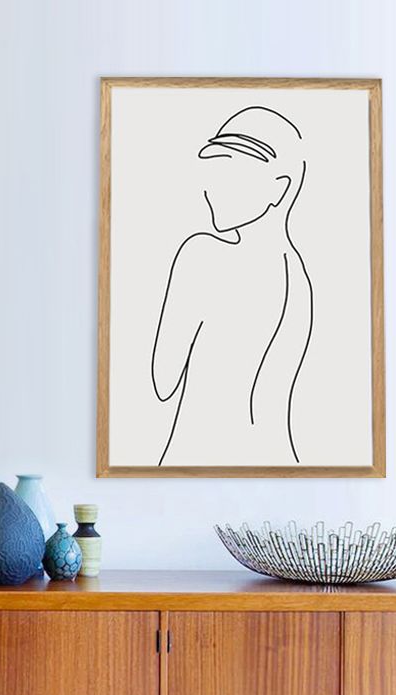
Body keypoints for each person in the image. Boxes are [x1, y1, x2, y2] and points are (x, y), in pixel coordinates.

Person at [151, 106, 313, 466]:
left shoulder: (202, 255)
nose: (211, 188)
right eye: (215, 170)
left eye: (232, 173)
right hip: (277, 462)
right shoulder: (298, 278)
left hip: (193, 459)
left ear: (279, 188)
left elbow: (163, 380)